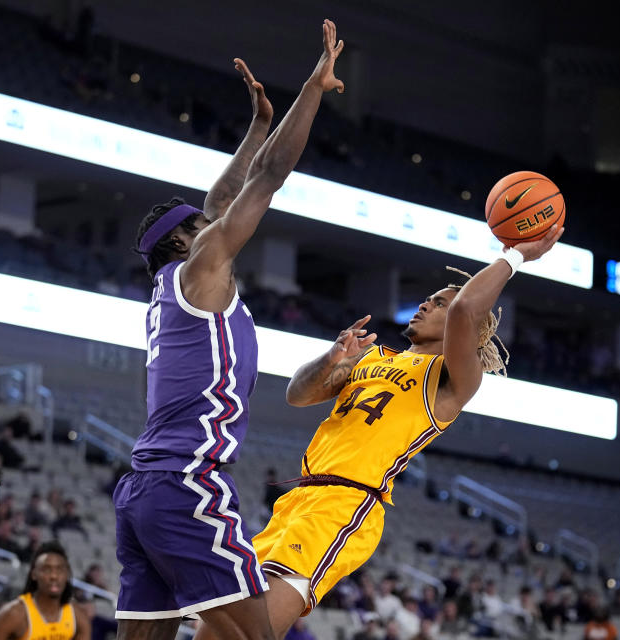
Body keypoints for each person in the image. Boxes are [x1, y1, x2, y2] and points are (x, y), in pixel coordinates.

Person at [208, 225, 562, 638]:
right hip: (298, 498)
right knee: (219, 627)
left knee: (252, 630)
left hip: (347, 503)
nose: (426, 305)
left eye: (439, 304)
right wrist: (331, 358)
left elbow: (467, 310)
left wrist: (515, 257)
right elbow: (297, 395)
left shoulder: (450, 379)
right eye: (427, 299)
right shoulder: (371, 356)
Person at [114, 19, 345, 639]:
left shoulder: (172, 289)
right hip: (189, 486)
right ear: (186, 241)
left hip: (142, 494)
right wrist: (313, 90)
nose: (213, 221)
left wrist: (256, 125)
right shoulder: (202, 270)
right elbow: (267, 179)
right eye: (201, 224)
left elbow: (221, 198)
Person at [0, 540, 91, 640]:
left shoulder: (77, 614)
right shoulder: (14, 614)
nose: (54, 576)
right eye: (47, 569)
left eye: (59, 570)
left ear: (67, 575)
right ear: (34, 574)